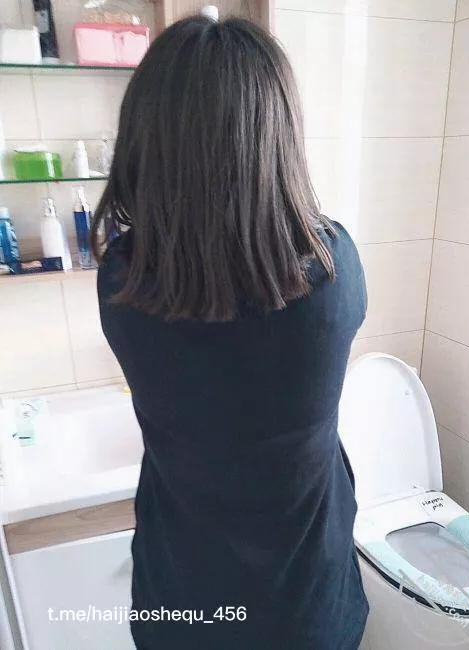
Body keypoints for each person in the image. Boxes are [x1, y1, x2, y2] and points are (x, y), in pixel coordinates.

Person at [92, 14, 368, 650]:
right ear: (279, 138)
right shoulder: (333, 272)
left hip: (182, 602)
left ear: (146, 140)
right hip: (307, 609)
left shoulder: (123, 283)